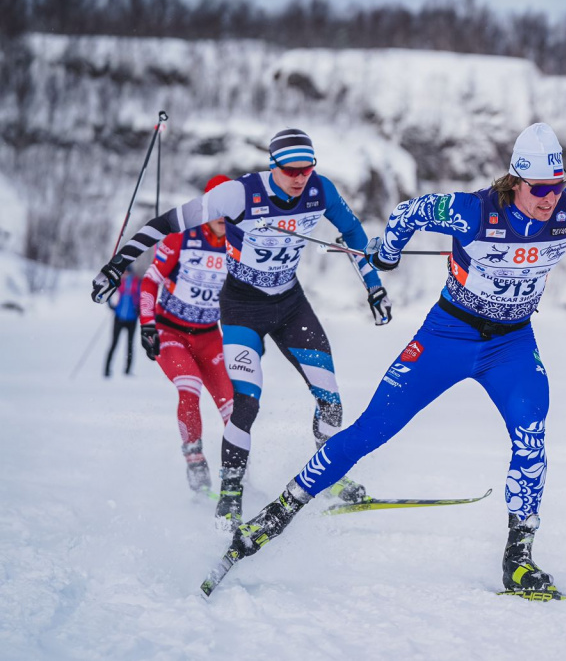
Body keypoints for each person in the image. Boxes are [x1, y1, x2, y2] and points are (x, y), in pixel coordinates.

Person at [215, 122, 566, 594]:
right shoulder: (470, 211)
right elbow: (408, 213)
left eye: (558, 186)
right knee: (372, 429)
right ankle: (276, 514)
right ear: (516, 179)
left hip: (511, 345)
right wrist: (387, 254)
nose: (550, 197)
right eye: (540, 188)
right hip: (448, 336)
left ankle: (519, 559)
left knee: (531, 437)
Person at [92, 129, 391, 529]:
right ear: (273, 166)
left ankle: (330, 477)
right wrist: (117, 264)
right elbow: (164, 223)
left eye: (307, 168)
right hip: (242, 310)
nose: (300, 177)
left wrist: (374, 286)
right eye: (291, 170)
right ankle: (229, 496)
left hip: (290, 305)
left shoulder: (321, 191)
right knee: (246, 404)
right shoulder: (237, 195)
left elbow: (353, 236)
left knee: (331, 401)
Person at [139, 175, 234, 495]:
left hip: (210, 336)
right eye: (217, 209)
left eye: (230, 209)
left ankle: (237, 478)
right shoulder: (182, 237)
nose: (224, 217)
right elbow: (150, 281)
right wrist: (147, 324)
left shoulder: (240, 243)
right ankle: (195, 462)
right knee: (189, 388)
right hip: (171, 333)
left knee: (234, 407)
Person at [104, 267, 141, 377]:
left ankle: (127, 370)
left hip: (131, 318)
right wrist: (111, 304)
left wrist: (138, 309)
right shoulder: (120, 281)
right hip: (119, 317)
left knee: (129, 345)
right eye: (124, 272)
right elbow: (109, 291)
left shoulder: (136, 282)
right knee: (115, 344)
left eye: (126, 272)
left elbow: (141, 297)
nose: (125, 274)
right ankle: (107, 370)